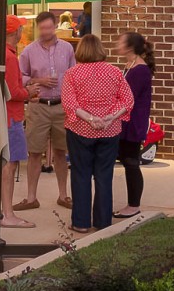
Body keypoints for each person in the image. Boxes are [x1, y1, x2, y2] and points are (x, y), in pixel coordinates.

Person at [62, 34, 133, 233]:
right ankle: (102, 222)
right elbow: (128, 100)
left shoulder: (72, 73)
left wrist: (90, 119)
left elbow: (69, 103)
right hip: (110, 131)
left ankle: (81, 223)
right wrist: (109, 118)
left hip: (80, 130)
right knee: (104, 175)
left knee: (81, 175)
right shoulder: (114, 72)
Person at [16, 11, 75, 212]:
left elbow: (73, 74)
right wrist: (38, 80)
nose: (45, 32)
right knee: (34, 152)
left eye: (49, 28)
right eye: (42, 28)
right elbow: (20, 77)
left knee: (61, 151)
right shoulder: (29, 51)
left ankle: (63, 195)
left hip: (61, 106)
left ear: (56, 25)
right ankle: (31, 197)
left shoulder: (67, 49)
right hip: (38, 106)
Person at [114, 32, 154, 220]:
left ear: (129, 47)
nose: (117, 43)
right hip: (125, 120)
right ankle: (131, 203)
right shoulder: (129, 66)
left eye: (121, 42)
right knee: (127, 160)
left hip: (133, 121)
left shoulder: (139, 70)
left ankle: (133, 205)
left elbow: (127, 97)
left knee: (131, 162)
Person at [1, 16, 33, 228]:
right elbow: (12, 92)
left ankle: (4, 212)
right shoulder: (10, 57)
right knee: (9, 166)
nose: (23, 30)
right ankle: (8, 214)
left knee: (6, 165)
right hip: (11, 116)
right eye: (21, 27)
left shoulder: (1, 53)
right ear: (15, 32)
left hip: (5, 115)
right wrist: (29, 92)